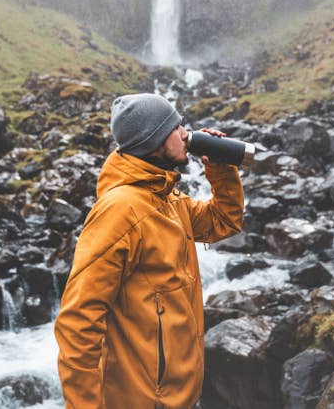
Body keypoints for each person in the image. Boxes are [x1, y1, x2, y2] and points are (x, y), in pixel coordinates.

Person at [54, 93, 245, 409]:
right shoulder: (120, 211)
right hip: (145, 399)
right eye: (176, 126)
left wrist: (222, 171)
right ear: (154, 140)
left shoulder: (166, 199)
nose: (185, 133)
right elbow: (78, 321)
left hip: (179, 393)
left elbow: (222, 221)